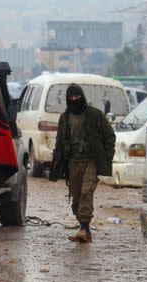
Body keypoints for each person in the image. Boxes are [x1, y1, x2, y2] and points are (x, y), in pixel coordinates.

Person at [49, 83, 116, 243]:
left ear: (82, 97)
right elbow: (59, 143)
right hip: (73, 162)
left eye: (76, 96)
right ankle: (83, 227)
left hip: (91, 161)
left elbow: (109, 136)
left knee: (87, 191)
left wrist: (106, 158)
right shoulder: (64, 118)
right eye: (71, 97)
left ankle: (85, 229)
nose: (74, 100)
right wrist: (56, 165)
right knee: (76, 198)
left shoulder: (94, 115)